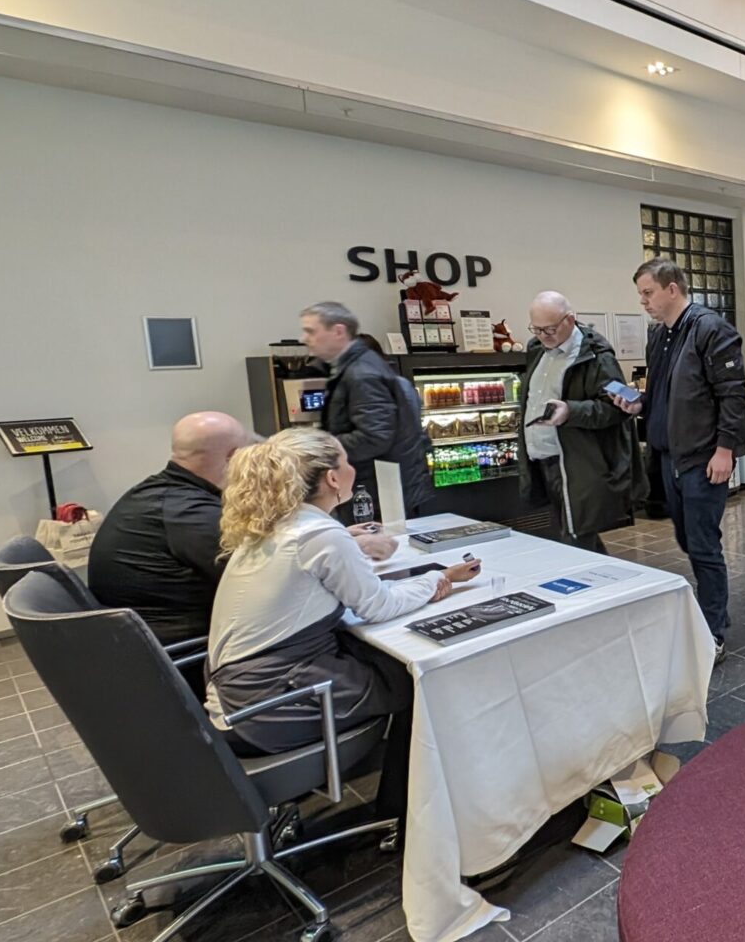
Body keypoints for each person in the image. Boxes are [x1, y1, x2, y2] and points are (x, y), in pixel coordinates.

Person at [206, 429, 480, 819]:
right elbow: (379, 605)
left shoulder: (274, 524)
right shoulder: (319, 534)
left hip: (237, 697)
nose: (353, 467)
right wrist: (440, 578)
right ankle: (408, 814)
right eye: (347, 461)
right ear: (333, 478)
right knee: (420, 679)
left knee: (386, 664)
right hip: (269, 708)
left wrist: (350, 544)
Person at [615, 258, 745, 649]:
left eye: (648, 292)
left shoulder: (710, 329)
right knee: (688, 539)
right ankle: (715, 607)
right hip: (669, 456)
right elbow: (660, 391)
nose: (643, 301)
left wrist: (725, 450)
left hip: (702, 456)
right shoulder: (660, 335)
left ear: (672, 289)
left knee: (703, 544)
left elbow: (732, 395)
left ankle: (712, 633)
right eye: (640, 294)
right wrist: (638, 404)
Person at [89, 412, 257, 648]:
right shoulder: (189, 512)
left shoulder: (159, 494)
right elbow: (258, 574)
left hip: (132, 642)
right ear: (234, 457)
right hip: (181, 647)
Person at [517, 291, 636, 554]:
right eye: (536, 329)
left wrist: (571, 411)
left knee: (576, 537)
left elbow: (615, 410)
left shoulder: (597, 357)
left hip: (577, 462)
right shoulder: (536, 349)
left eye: (550, 329)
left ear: (570, 320)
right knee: (574, 535)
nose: (543, 336)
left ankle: (596, 578)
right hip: (543, 460)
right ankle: (604, 575)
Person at [299, 303, 435, 519]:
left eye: (311, 331)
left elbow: (374, 437)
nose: (304, 339)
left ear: (338, 331)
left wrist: (317, 449)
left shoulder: (362, 374)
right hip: (382, 489)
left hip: (375, 493)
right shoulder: (357, 367)